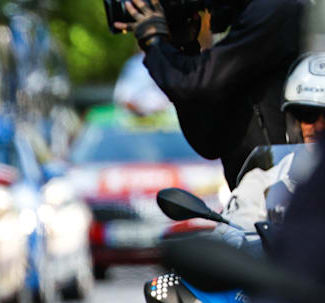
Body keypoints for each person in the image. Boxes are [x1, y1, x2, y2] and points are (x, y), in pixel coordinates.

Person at [114, 0, 306, 187]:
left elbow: (192, 85)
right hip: (259, 199)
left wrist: (153, 40)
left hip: (289, 193)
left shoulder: (276, 8)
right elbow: (209, 144)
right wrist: (186, 48)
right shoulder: (248, 30)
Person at [223, 52, 325, 229]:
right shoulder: (263, 184)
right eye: (307, 115)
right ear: (294, 121)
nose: (316, 127)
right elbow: (230, 238)